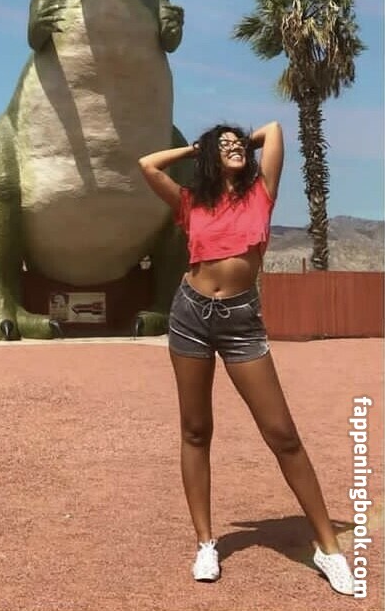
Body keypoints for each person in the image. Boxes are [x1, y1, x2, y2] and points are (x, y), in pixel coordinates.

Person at [138, 121, 355, 595]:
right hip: (190, 315)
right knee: (196, 430)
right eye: (225, 146)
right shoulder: (190, 202)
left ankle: (328, 548)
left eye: (239, 143)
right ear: (209, 157)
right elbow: (147, 166)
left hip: (241, 322)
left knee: (283, 435)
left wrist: (235, 142)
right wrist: (198, 149)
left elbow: (274, 130)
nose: (235, 147)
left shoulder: (262, 192)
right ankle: (205, 543)